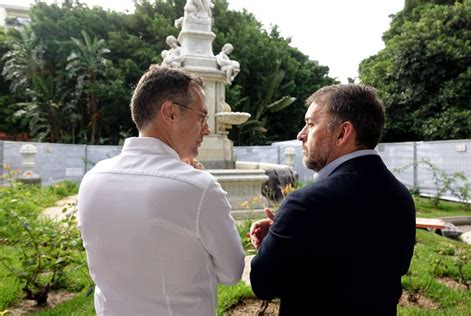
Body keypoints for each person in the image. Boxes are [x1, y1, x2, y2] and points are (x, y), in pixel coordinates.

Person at [78, 65, 245, 315]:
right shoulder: (198, 188)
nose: (207, 129)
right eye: (201, 116)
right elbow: (231, 272)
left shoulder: (92, 179)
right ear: (170, 113)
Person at [249, 84, 416, 315]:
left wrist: (273, 242)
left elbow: (264, 284)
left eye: (310, 124)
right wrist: (286, 232)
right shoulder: (401, 196)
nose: (300, 134)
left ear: (342, 132)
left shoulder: (305, 204)